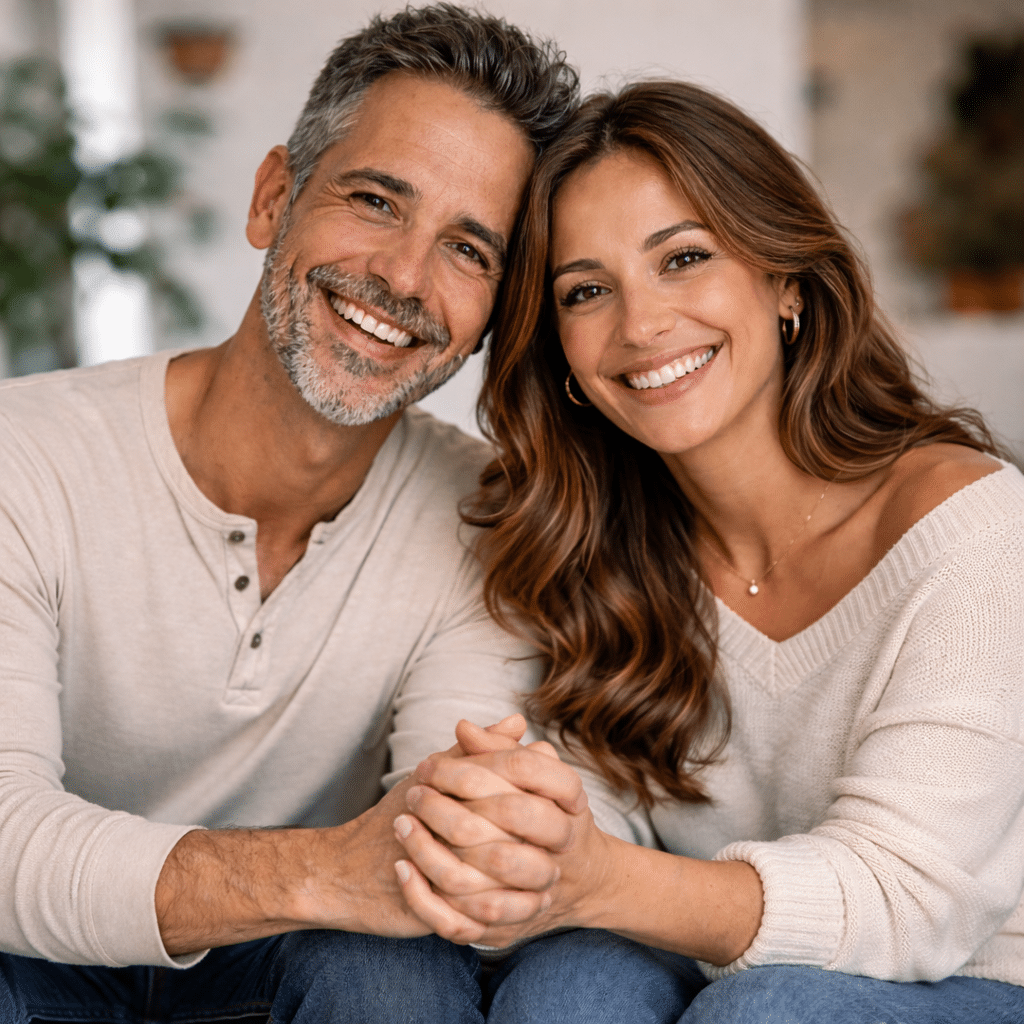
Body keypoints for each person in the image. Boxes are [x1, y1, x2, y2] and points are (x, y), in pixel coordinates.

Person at [391, 81, 1024, 1023]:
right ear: (559, 350)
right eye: (588, 290)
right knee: (564, 995)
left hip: (964, 973)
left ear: (788, 283)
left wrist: (591, 878)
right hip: (704, 949)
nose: (641, 326)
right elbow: (586, 822)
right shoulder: (589, 534)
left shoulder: (971, 525)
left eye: (683, 258)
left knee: (770, 1014)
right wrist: (525, 830)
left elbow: (905, 901)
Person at [0, 6, 580, 1021]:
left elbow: (445, 851)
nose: (402, 277)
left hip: (281, 968)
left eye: (467, 249)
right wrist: (317, 871)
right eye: (374, 199)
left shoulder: (484, 520)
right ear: (275, 197)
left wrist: (488, 840)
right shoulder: (27, 457)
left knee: (393, 976)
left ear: (497, 308)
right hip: (31, 959)